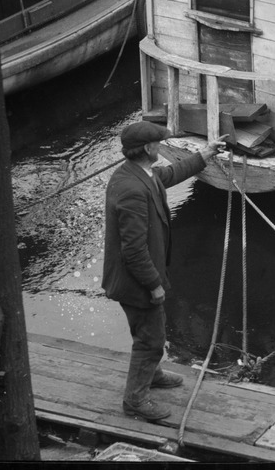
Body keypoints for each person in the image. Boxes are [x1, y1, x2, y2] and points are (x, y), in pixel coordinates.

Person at [102, 120, 226, 422]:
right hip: (136, 281)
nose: (160, 147)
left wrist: (205, 155)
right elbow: (133, 250)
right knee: (151, 340)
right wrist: (154, 284)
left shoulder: (136, 174)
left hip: (134, 277)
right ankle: (135, 401)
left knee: (146, 333)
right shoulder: (132, 190)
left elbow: (168, 175)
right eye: (157, 143)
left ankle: (153, 375)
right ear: (148, 148)